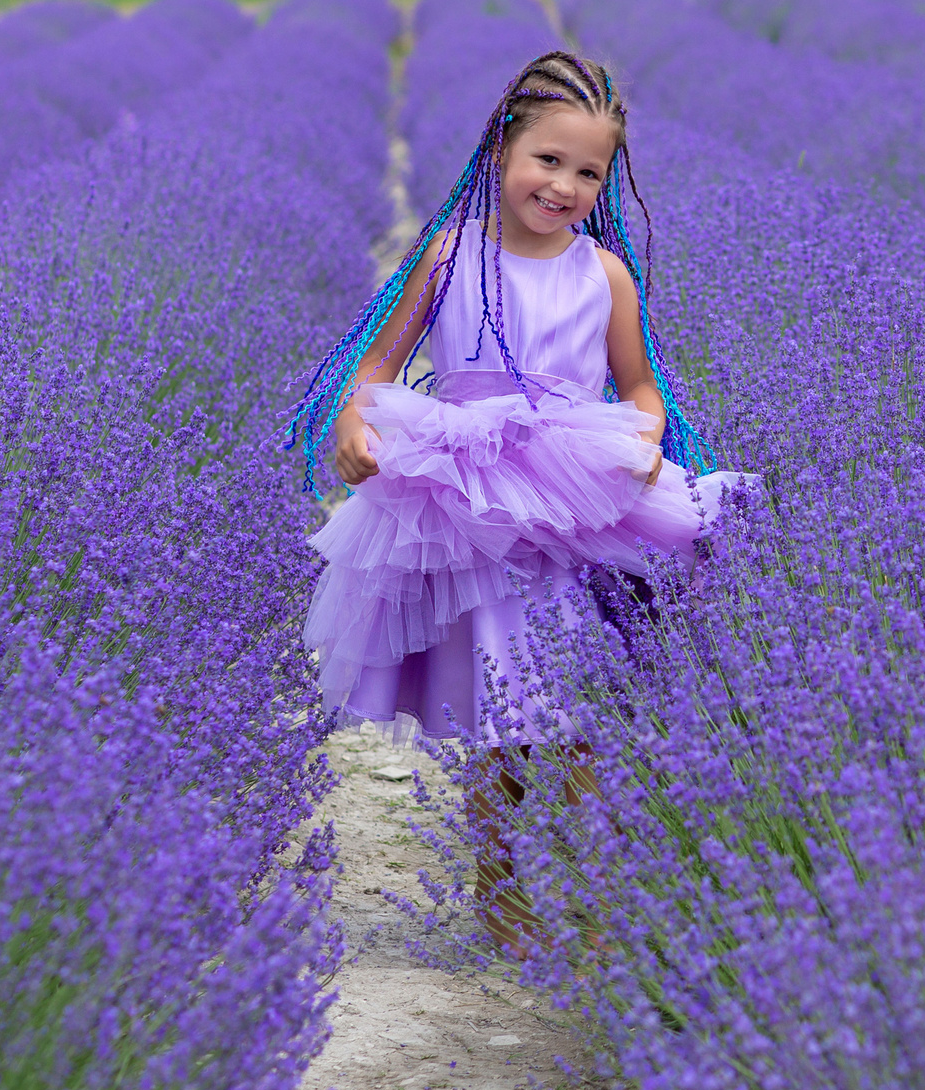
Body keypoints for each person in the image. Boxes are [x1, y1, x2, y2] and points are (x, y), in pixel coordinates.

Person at [287, 50, 737, 941]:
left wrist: (644, 437)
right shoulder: (453, 256)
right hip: (473, 510)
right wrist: (354, 424)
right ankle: (502, 894)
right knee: (500, 718)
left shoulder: (604, 273)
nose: (564, 185)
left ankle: (600, 903)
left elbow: (640, 387)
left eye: (588, 172)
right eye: (548, 159)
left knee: (584, 706)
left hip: (578, 503)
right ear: (502, 150)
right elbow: (377, 365)